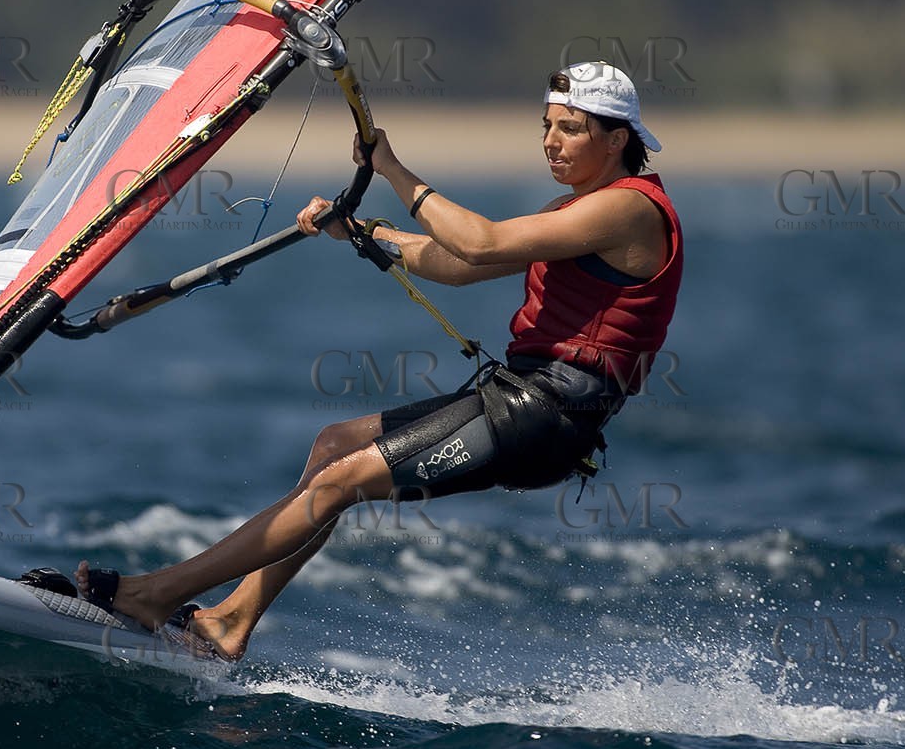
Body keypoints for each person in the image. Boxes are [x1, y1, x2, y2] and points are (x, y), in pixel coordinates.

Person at [62, 61, 683, 661]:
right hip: (521, 397)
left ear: (618, 137)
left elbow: (481, 240)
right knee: (335, 446)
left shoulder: (628, 208)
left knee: (338, 485)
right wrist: (364, 230)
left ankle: (154, 595)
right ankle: (230, 621)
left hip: (547, 413)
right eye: (546, 126)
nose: (550, 142)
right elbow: (460, 265)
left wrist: (391, 168)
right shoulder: (575, 210)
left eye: (569, 128)